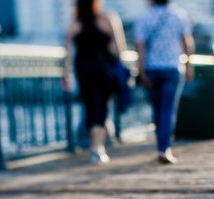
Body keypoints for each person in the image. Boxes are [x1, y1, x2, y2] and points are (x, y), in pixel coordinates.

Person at [64, 0, 127, 164]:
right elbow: (118, 47)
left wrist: (66, 73)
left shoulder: (76, 23)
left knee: (90, 108)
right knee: (102, 108)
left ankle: (95, 146)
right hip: (104, 71)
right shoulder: (107, 19)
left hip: (83, 71)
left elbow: (69, 51)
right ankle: (98, 148)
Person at [134, 0, 194, 164]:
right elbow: (186, 42)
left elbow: (140, 46)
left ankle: (160, 143)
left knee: (157, 109)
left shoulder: (144, 17)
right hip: (173, 68)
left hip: (151, 69)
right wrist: (188, 65)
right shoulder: (179, 15)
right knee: (168, 110)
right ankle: (164, 148)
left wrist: (141, 70)